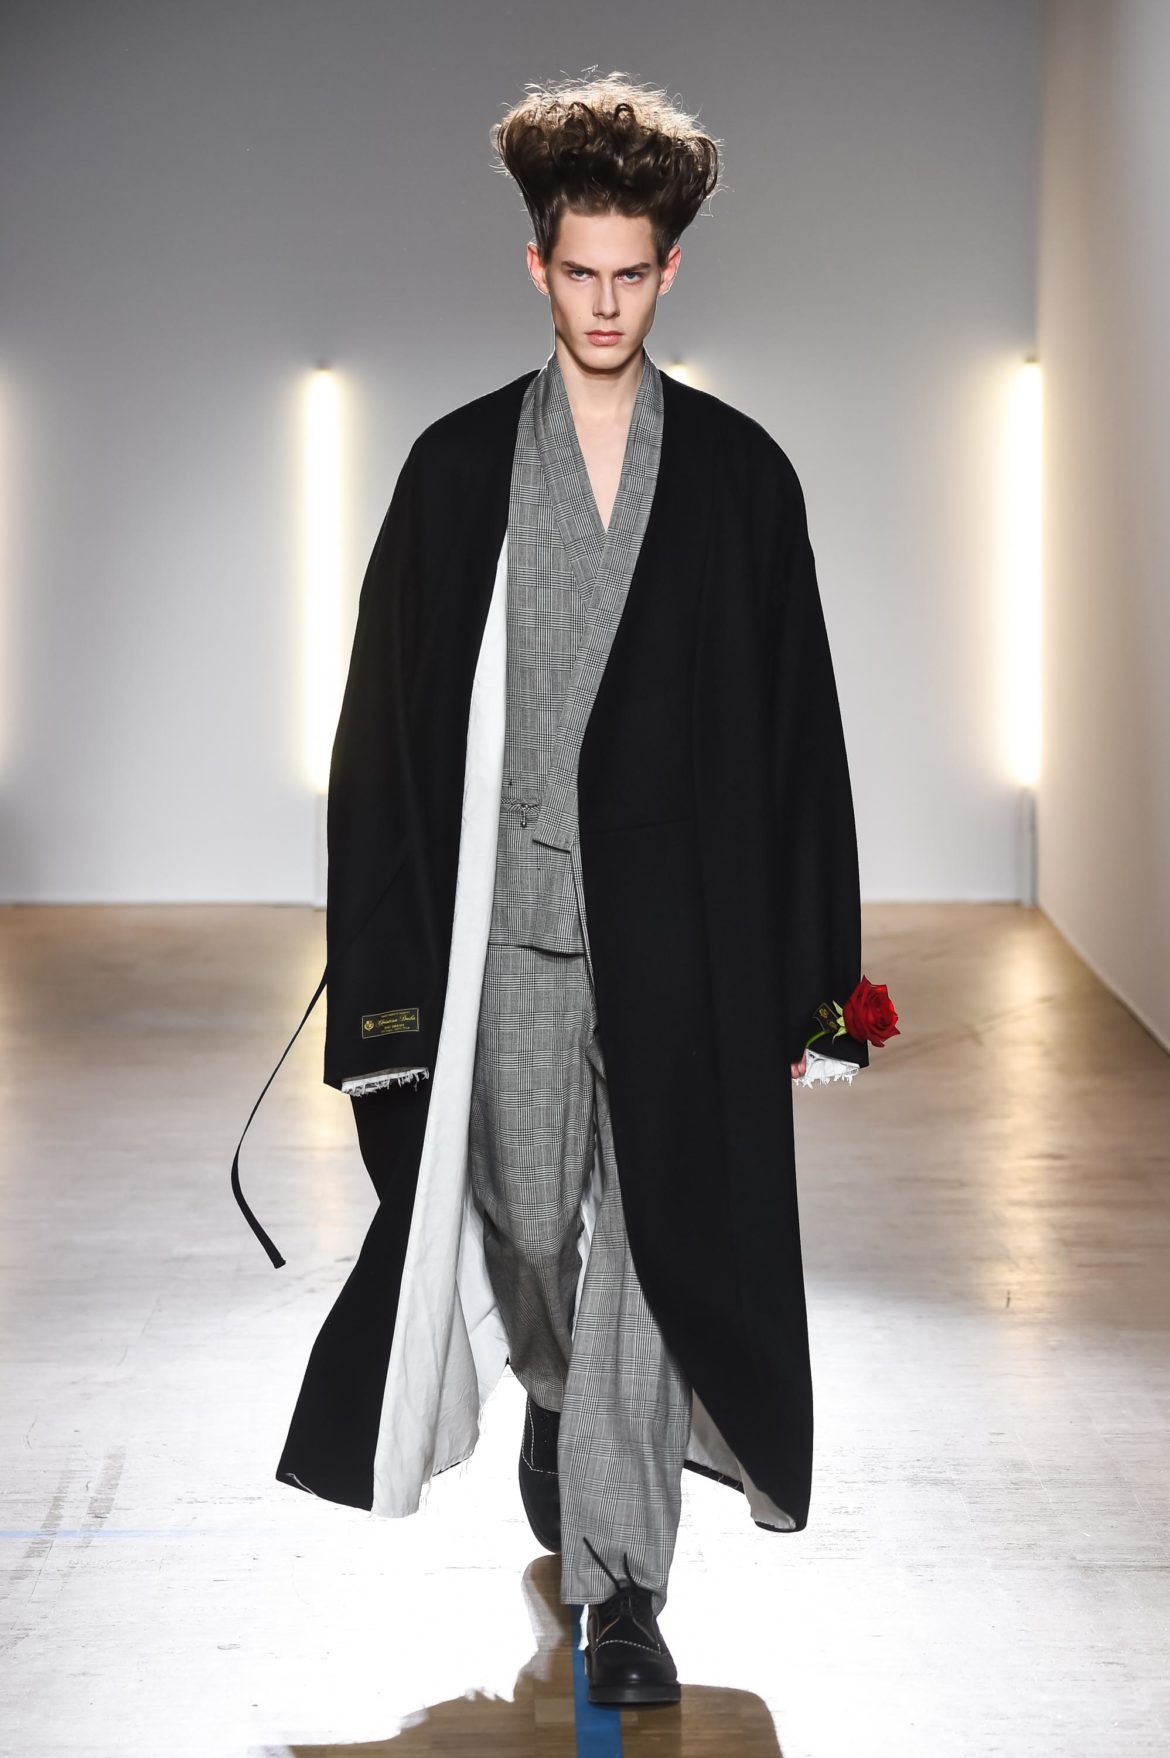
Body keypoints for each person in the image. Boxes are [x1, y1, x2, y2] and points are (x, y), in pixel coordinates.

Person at [231, 69, 884, 1711]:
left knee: (655, 1246)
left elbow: (799, 738)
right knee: (528, 1226)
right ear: (538, 265)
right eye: (578, 273)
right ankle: (553, 1387)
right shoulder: (458, 472)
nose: (604, 305)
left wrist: (823, 987)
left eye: (631, 275)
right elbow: (382, 740)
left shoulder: (738, 478)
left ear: (669, 273)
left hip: (689, 950)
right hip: (509, 936)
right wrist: (381, 980)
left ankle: (621, 1585)